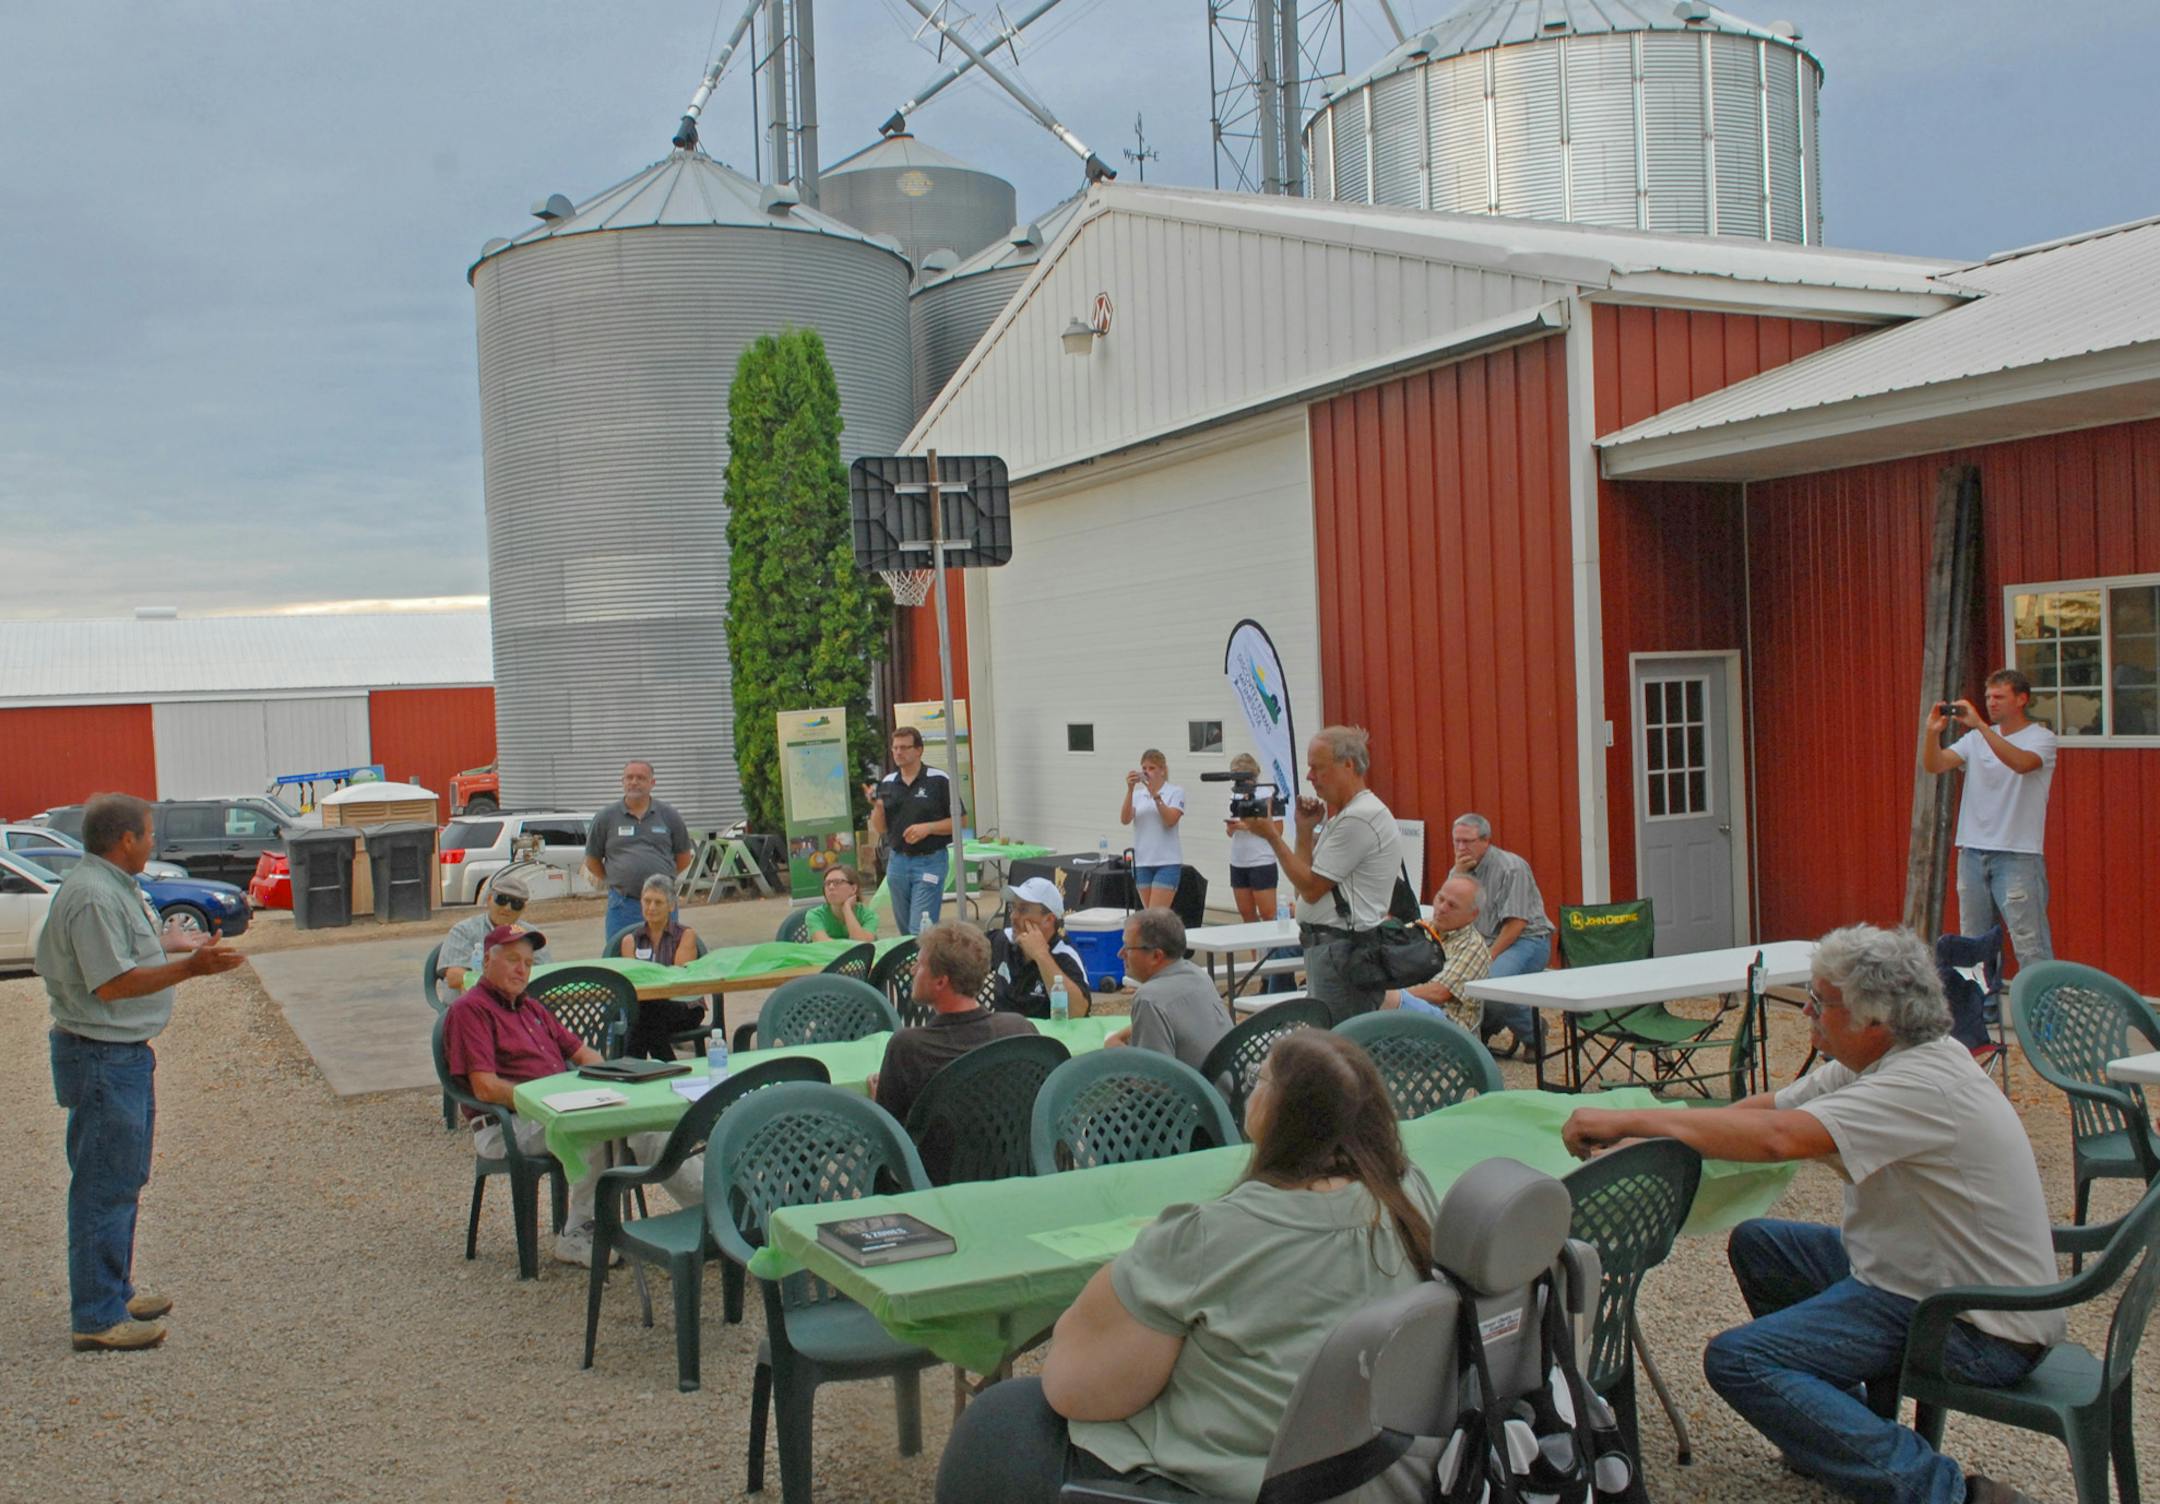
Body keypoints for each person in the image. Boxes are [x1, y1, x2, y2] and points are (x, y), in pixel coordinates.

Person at [1561, 924, 2059, 1504]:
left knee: (1739, 1360)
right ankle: (1836, 1432)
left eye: (1821, 1002)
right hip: (1925, 1276)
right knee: (1761, 1244)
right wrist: (1648, 1137)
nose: (1806, 1012)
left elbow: (1778, 1138)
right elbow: (1764, 1111)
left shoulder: (1920, 1084)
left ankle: (1948, 1493)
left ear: (1876, 1019)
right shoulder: (1884, 1057)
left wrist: (1629, 1119)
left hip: (1975, 1324)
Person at [933, 1030, 1441, 1503]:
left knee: (998, 1422)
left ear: (1280, 1114)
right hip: (1382, 1472)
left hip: (1245, 1484)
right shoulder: (1410, 1198)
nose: (1252, 1089)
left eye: (1261, 1079)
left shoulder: (1210, 1236)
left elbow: (1076, 1388)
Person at [39, 793, 247, 1351]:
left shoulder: (112, 886)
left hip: (119, 1054)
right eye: (149, 834)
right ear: (126, 839)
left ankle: (113, 1291)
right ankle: (96, 1317)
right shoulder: (92, 895)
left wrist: (166, 945)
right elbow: (112, 984)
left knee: (122, 1178)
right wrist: (190, 968)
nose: (154, 843)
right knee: (103, 1185)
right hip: (101, 1056)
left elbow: (121, 954)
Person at [444, 926, 701, 1267]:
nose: (521, 970)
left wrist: (615, 1079)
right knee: (599, 1128)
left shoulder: (531, 1008)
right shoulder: (470, 1009)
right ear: (487, 963)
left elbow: (584, 1054)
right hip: (508, 1124)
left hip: (557, 1110)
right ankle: (578, 1232)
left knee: (647, 1124)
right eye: (512, 960)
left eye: (528, 963)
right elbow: (486, 1087)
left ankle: (715, 1211)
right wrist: (548, 1103)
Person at [1240, 725, 1401, 1025]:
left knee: (1336, 1040)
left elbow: (1312, 889)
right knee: (1328, 1037)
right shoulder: (1347, 815)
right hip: (1330, 948)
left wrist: (1272, 836)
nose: (1309, 776)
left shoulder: (1360, 817)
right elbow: (1303, 887)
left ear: (1348, 765)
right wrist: (1304, 831)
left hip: (1343, 950)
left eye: (1317, 768)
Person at [1922, 668, 2058, 974]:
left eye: (1999, 697)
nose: (1991, 703)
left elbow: (2022, 763)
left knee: (2030, 944)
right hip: (1971, 852)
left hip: (2018, 854)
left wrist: (1982, 727)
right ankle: (1981, 1003)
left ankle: (2040, 1004)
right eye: (1987, 697)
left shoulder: (2042, 738)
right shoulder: (1974, 739)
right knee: (1974, 945)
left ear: (2021, 699)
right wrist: (1932, 733)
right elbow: (1935, 764)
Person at [868, 921, 1036, 1125]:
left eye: (920, 965)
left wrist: (877, 1103)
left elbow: (888, 1129)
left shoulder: (909, 1047)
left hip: (934, 1146)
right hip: (1009, 1143)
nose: (912, 970)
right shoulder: (1019, 1029)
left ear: (940, 982)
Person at [1450, 813, 1554, 1058]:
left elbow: (1517, 923)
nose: (1461, 848)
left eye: (1468, 841)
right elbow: (1449, 911)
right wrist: (1458, 875)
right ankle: (1475, 1034)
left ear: (1485, 841)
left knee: (1493, 984)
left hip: (1526, 939)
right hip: (1484, 940)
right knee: (1445, 976)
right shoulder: (1460, 870)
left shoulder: (1511, 867)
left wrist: (1487, 957)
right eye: (1457, 841)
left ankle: (1533, 1032)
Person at [582, 759, 694, 947]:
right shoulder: (606, 817)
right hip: (623, 905)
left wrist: (665, 877)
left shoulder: (669, 815)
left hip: (662, 902)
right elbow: (592, 859)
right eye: (629, 777)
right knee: (620, 954)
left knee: (665, 952)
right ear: (622, 781)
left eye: (641, 778)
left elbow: (684, 857)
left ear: (652, 783)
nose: (634, 782)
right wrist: (615, 879)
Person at [1102, 908, 1227, 1071]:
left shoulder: (1149, 999)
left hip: (1194, 1087)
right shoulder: (1198, 976)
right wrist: (1120, 1036)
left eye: (1128, 947)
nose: (1120, 954)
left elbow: (1153, 1077)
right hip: (1225, 1083)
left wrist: (1115, 1051)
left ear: (1156, 956)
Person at [866, 726, 956, 937]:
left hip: (930, 861)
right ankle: (913, 958)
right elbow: (881, 829)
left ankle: (924, 957)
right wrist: (877, 807)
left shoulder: (938, 779)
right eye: (895, 748)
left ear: (919, 750)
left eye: (904, 747)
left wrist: (928, 828)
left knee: (920, 929)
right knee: (905, 930)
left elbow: (959, 821)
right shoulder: (888, 782)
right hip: (898, 861)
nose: (898, 752)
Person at [1382, 873, 1490, 1032]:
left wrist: (1389, 994)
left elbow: (1438, 992)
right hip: (1410, 1013)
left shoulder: (1473, 946)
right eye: (1440, 899)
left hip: (1449, 1029)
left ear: (1472, 915)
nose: (1442, 908)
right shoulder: (1419, 927)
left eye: (1452, 905)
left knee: (1379, 998)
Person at [616, 874, 708, 1058]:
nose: (651, 907)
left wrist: (649, 979)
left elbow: (677, 978)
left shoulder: (685, 935)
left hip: (683, 1006)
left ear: (671, 906)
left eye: (658, 902)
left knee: (643, 1017)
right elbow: (633, 983)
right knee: (647, 1018)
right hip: (647, 1008)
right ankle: (668, 1065)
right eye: (647, 901)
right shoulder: (630, 941)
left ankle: (631, 1065)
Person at [988, 877, 1090, 1019]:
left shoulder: (1064, 955)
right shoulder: (1004, 940)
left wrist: (1041, 955)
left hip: (1045, 1033)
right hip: (1003, 1030)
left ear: (1048, 920)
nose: (1013, 916)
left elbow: (1078, 1012)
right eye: (1013, 907)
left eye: (1023, 910)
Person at [438, 870, 550, 992]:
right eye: (501, 900)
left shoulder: (532, 935)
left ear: (523, 908)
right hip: (473, 1001)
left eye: (516, 903)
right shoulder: (464, 930)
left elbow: (546, 975)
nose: (507, 908)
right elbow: (454, 977)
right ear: (489, 899)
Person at [1119, 749, 1186, 909]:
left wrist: (1156, 797)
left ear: (1162, 770)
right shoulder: (1138, 795)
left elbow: (1170, 820)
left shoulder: (1175, 792)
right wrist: (1130, 790)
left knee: (1156, 914)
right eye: (1144, 768)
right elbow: (1125, 819)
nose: (1147, 772)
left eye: (1151, 768)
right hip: (1142, 862)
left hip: (1167, 862)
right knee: (1149, 914)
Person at [1221, 752, 1280, 924]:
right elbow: (1230, 832)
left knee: (1268, 914)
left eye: (1240, 775)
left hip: (1261, 860)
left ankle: (1271, 943)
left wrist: (1248, 826)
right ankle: (1253, 944)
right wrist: (1232, 828)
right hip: (1239, 860)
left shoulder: (1265, 794)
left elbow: (1277, 829)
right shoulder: (1235, 795)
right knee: (1247, 914)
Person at [802, 864, 877, 942]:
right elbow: (823, 944)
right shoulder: (815, 915)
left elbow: (863, 944)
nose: (831, 887)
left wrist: (847, 910)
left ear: (853, 889)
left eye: (838, 882)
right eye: (827, 883)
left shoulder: (868, 915)